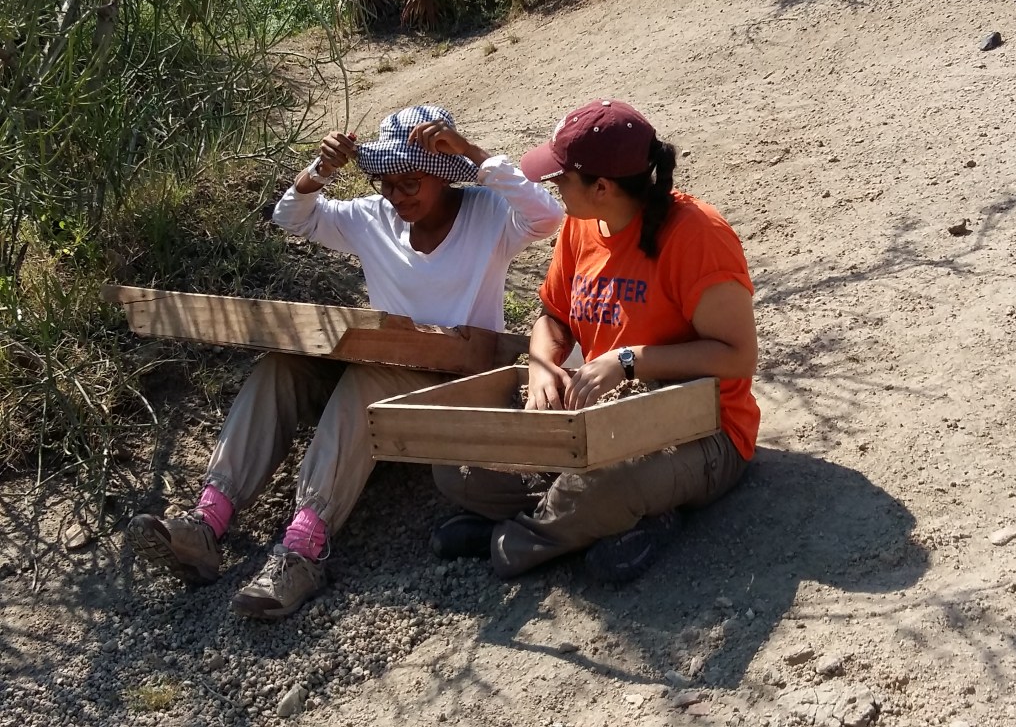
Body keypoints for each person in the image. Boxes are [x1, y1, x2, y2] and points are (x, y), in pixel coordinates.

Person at [126, 105, 564, 618]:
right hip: (386, 358)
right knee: (280, 369)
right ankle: (208, 520)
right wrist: (319, 171)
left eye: (410, 182)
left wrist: (470, 152)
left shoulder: (489, 214)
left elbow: (547, 216)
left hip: (452, 375)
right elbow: (290, 217)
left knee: (364, 378)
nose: (397, 197)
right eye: (386, 183)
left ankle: (302, 550)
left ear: (444, 177)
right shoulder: (373, 218)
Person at [431, 99, 760, 583]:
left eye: (561, 178)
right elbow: (553, 316)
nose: (551, 185)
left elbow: (738, 356)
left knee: (603, 487)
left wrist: (628, 361)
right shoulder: (581, 224)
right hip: (599, 418)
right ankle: (611, 520)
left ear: (601, 187)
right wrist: (544, 366)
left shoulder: (697, 236)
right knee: (456, 468)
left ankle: (511, 541)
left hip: (702, 428)